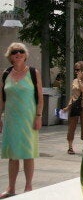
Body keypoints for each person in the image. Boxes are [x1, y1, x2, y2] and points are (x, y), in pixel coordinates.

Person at [0, 43, 43, 197]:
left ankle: (28, 187)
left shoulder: (33, 72)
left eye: (20, 51)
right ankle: (11, 188)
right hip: (11, 119)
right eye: (14, 52)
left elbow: (40, 97)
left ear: (25, 55)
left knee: (27, 153)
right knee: (13, 155)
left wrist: (39, 116)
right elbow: (2, 99)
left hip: (29, 119)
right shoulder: (5, 74)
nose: (17, 54)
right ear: (10, 56)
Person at [62, 61, 83, 155]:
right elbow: (74, 95)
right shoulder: (74, 80)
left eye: (78, 70)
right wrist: (68, 106)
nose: (76, 72)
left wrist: (80, 80)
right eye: (75, 70)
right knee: (71, 126)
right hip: (74, 105)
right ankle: (70, 147)